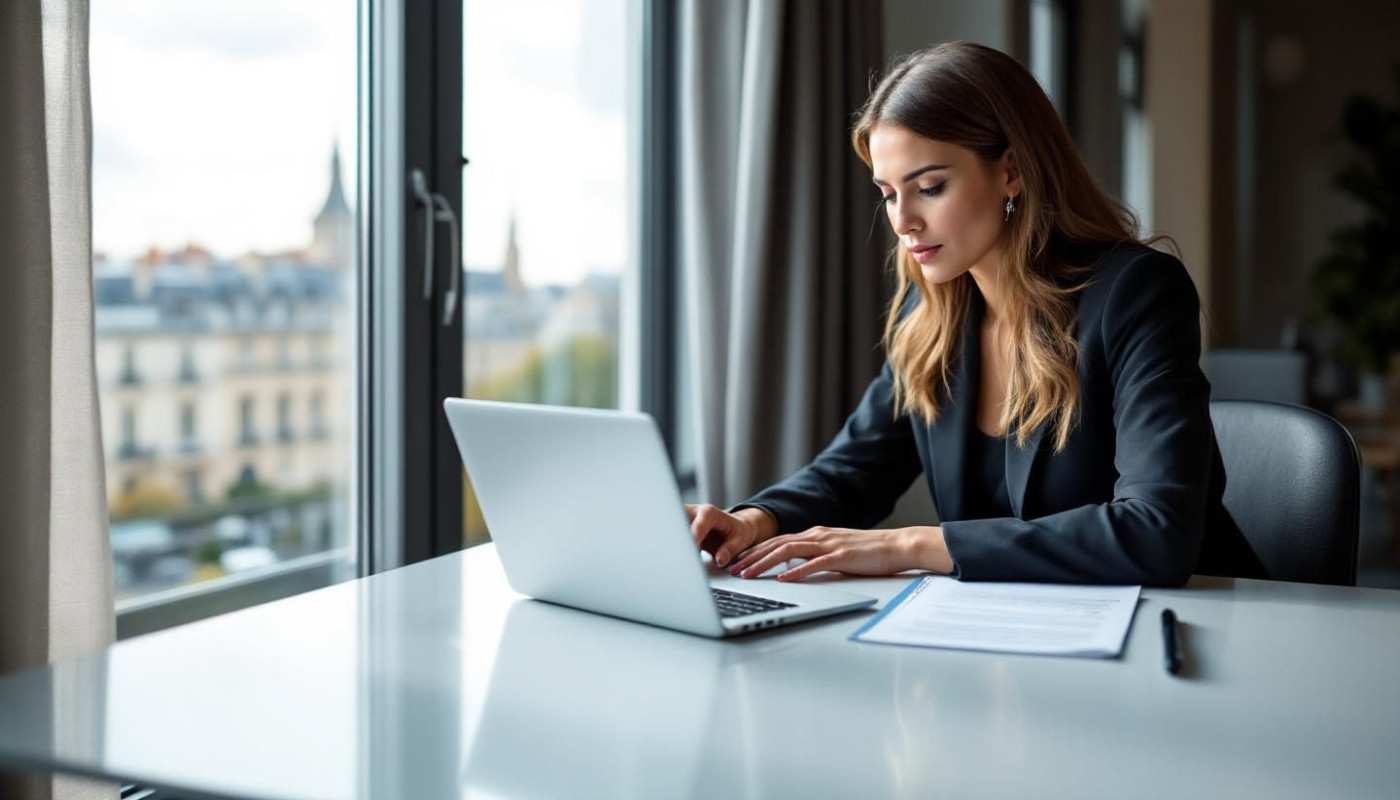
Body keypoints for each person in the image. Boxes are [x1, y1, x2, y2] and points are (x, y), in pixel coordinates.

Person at [685, 41, 1255, 587]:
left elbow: (1157, 533)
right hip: (1019, 640)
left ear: (1011, 171)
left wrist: (913, 546)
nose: (903, 220)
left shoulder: (1136, 294)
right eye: (887, 193)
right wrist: (755, 519)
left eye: (929, 186)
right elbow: (853, 468)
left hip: (1190, 629)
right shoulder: (933, 311)